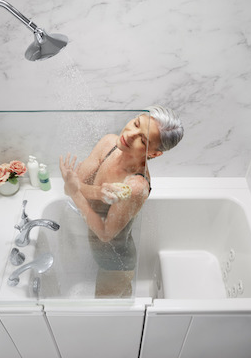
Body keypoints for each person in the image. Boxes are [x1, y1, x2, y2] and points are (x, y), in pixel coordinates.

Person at [59, 105, 184, 297]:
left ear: (154, 153)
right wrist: (97, 192)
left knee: (105, 313)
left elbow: (105, 234)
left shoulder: (136, 186)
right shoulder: (109, 143)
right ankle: (126, 293)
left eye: (142, 140)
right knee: (122, 298)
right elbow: (71, 188)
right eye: (135, 123)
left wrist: (77, 191)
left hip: (115, 263)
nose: (130, 134)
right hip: (99, 252)